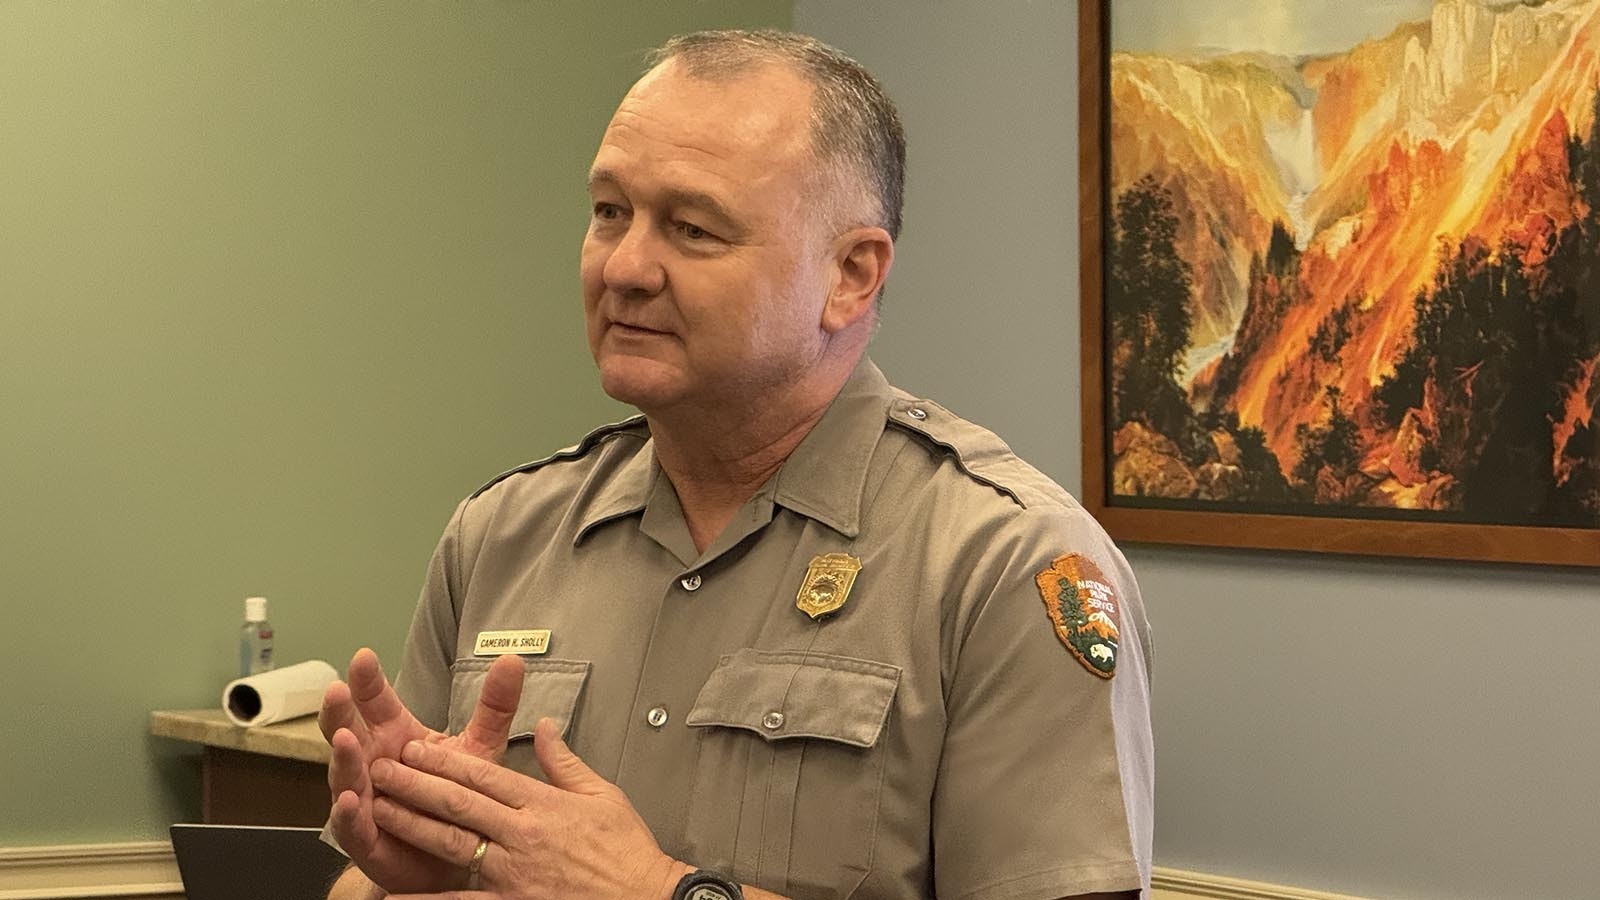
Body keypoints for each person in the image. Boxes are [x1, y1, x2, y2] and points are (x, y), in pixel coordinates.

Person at [318, 29, 1152, 900]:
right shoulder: (503, 535)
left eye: (692, 228)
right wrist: (414, 876)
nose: (627, 267)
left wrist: (657, 893)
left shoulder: (1003, 562)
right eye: (609, 211)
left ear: (851, 276)